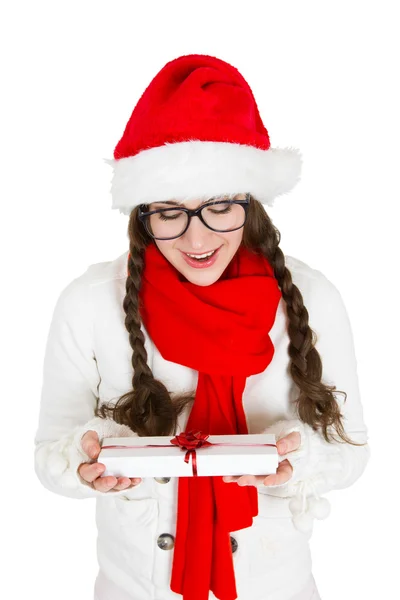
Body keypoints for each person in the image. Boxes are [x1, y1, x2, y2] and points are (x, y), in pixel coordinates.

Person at [34, 54, 370, 600]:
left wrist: (295, 457)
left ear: (249, 203)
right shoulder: (88, 303)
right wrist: (87, 456)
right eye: (169, 211)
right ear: (141, 214)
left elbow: (351, 450)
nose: (196, 239)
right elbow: (50, 453)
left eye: (217, 206)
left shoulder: (314, 297)